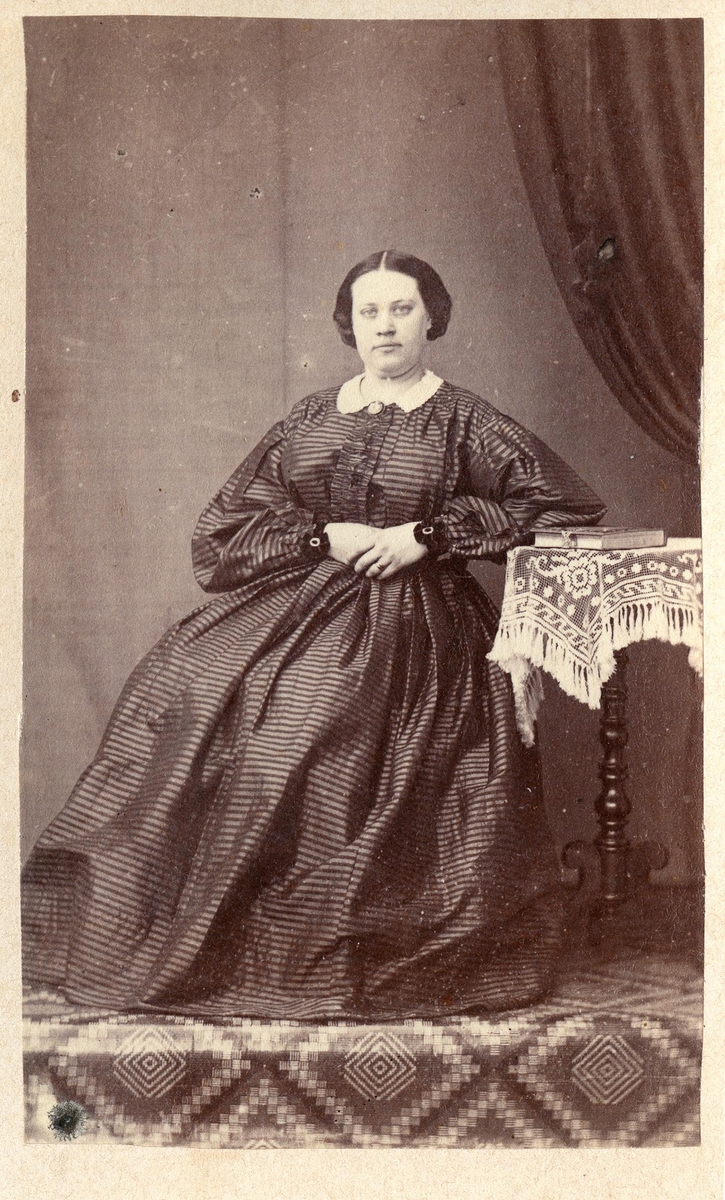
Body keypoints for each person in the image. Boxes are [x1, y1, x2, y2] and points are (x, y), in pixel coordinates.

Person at [22, 251, 605, 1020]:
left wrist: (427, 536)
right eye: (370, 312)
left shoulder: (465, 419)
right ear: (348, 325)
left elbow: (563, 505)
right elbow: (221, 537)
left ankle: (319, 945)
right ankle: (209, 935)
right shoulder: (309, 418)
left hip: (421, 627)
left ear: (431, 319)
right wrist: (321, 535)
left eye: (401, 309)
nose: (385, 326)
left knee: (321, 724)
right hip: (301, 608)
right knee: (189, 694)